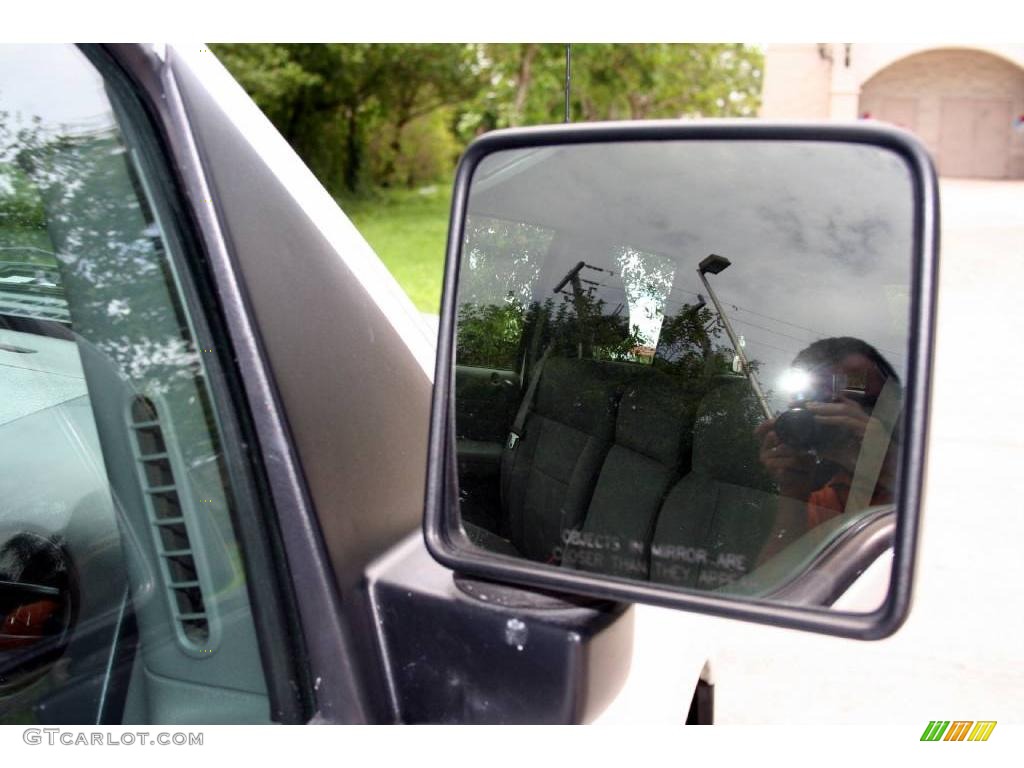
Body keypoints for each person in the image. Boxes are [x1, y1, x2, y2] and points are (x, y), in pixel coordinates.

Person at [755, 337, 902, 559]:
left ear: (895, 412)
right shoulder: (825, 501)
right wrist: (793, 493)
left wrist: (892, 466)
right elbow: (773, 582)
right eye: (819, 400)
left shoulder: (937, 477)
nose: (840, 410)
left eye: (861, 396)